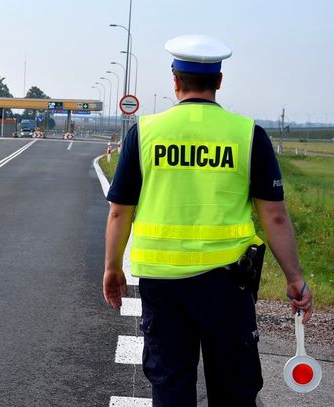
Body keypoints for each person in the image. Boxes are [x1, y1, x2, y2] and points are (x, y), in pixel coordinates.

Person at [103, 34, 313, 406]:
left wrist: (112, 267)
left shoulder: (145, 134)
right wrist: (294, 277)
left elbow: (120, 210)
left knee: (170, 386)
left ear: (175, 80)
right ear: (218, 81)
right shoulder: (247, 135)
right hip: (227, 283)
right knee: (233, 388)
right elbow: (275, 216)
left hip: (162, 282)